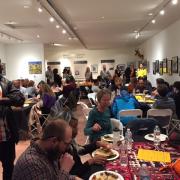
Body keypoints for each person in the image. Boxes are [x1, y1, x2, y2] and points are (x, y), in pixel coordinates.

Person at [12, 120, 81, 180]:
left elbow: (54, 177)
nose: (68, 147)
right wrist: (64, 170)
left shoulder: (49, 152)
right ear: (54, 141)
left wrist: (74, 178)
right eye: (66, 144)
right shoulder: (31, 163)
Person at [0, 63, 25, 180]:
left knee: (8, 167)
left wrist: (1, 100)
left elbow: (20, 99)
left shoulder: (5, 82)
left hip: (6, 136)